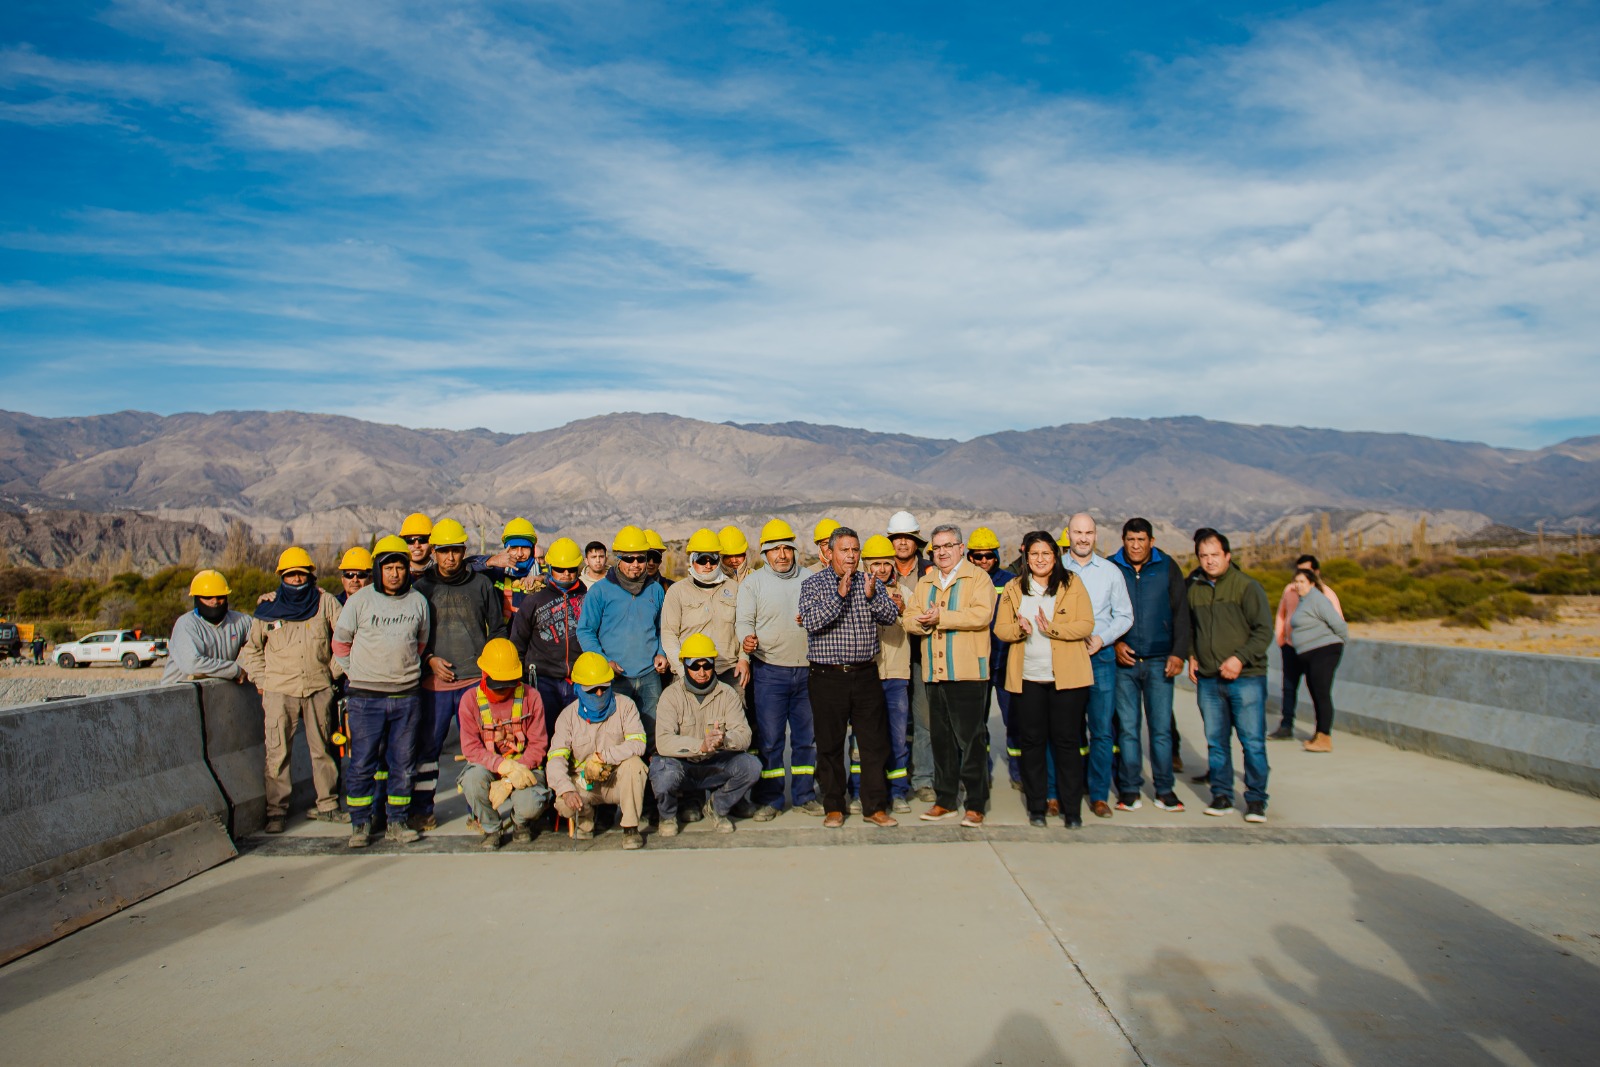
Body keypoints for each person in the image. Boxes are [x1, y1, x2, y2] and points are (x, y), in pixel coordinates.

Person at [237, 547, 346, 834]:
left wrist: (330, 673)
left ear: (311, 575)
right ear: (281, 577)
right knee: (277, 753)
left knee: (322, 749)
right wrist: (263, 681)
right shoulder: (267, 609)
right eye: (290, 574)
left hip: (318, 688)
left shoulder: (326, 603)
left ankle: (328, 804)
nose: (296, 579)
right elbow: (251, 652)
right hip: (278, 691)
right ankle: (276, 812)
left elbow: (346, 640)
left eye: (301, 574)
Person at [799, 526, 901, 828]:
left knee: (873, 744)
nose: (852, 556)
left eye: (855, 550)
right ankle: (834, 806)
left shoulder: (871, 582)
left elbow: (889, 617)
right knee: (830, 744)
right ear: (830, 553)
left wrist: (870, 596)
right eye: (845, 550)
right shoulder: (814, 584)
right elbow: (812, 622)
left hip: (865, 674)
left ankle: (874, 807)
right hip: (827, 675)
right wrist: (840, 596)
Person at [332, 535, 431, 847]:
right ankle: (360, 824)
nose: (394, 574)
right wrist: (359, 672)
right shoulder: (360, 601)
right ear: (377, 569)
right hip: (365, 698)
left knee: (403, 762)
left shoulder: (417, 601)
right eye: (388, 568)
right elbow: (340, 644)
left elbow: (420, 642)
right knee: (363, 761)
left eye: (400, 567)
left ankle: (397, 822)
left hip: (406, 696)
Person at [994, 531, 1095, 827]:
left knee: (1066, 743)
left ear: (1055, 557)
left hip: (1066, 681)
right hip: (1027, 679)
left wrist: (1054, 629)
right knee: (1032, 743)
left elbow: (1086, 623)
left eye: (1046, 554)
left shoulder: (1072, 584)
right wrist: (1019, 630)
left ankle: (1071, 809)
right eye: (1034, 554)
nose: (1040, 559)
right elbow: (1001, 629)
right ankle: (1037, 806)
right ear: (1026, 557)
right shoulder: (1014, 587)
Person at [411, 518, 506, 831]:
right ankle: (423, 810)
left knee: (477, 750)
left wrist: (490, 665)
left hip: (473, 685)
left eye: (455, 550)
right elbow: (410, 635)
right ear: (434, 553)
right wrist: (429, 659)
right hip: (434, 685)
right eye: (443, 551)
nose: (449, 557)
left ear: (464, 551)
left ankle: (478, 811)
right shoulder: (422, 588)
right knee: (428, 750)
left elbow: (499, 629)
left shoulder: (481, 586)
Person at [902, 524, 998, 828]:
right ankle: (945, 800)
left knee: (970, 739)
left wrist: (941, 617)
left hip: (968, 671)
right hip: (934, 671)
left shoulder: (977, 578)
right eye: (937, 547)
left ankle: (975, 803)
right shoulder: (926, 582)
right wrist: (922, 622)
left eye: (948, 546)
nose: (942, 552)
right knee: (941, 739)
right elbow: (908, 618)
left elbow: (981, 615)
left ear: (960, 548)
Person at [735, 519, 822, 820]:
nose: (782, 555)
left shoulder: (810, 578)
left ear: (795, 550)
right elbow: (744, 621)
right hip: (770, 671)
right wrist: (745, 640)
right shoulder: (753, 583)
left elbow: (823, 617)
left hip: (807, 671)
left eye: (787, 548)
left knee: (805, 739)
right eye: (775, 549)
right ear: (764, 553)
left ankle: (804, 795)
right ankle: (770, 799)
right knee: (770, 740)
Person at [1187, 528, 1273, 823]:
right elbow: (1189, 628)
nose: (1209, 561)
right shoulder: (1194, 588)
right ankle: (1221, 795)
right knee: (1216, 741)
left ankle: (1256, 800)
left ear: (1227, 556)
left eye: (1215, 555)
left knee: (1252, 741)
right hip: (1209, 679)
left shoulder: (1246, 587)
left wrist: (1239, 658)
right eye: (1203, 556)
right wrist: (1191, 655)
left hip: (1246, 678)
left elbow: (1264, 631)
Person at [1109, 518, 1193, 813]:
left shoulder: (1167, 567)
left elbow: (1181, 612)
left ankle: (1165, 790)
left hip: (1160, 662)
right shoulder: (1112, 567)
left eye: (1141, 540)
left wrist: (1178, 653)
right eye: (1130, 540)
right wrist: (1115, 643)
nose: (1135, 545)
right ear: (1123, 540)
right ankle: (1130, 790)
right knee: (1128, 730)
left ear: (1151, 542)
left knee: (1160, 730)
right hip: (1124, 663)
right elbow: (1102, 613)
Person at [649, 634, 761, 835]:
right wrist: (700, 745)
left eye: (707, 665)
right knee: (663, 772)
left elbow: (744, 735)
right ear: (684, 665)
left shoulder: (728, 694)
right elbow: (663, 741)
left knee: (751, 766)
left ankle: (717, 807)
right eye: (694, 665)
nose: (702, 671)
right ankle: (667, 815)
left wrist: (724, 741)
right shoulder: (671, 695)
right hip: (682, 764)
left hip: (714, 762)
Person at [1060, 513, 1133, 819]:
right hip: (1064, 656)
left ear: (1096, 535)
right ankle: (1061, 791)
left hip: (1099, 658)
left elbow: (1124, 615)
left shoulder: (1110, 572)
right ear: (1069, 534)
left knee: (1101, 731)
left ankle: (1099, 794)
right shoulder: (1056, 568)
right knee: (1064, 730)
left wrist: (1103, 639)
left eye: (1088, 532)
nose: (1083, 538)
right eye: (1078, 532)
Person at [548, 651, 649, 849]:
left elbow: (639, 743)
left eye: (604, 687)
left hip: (615, 780)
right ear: (578, 689)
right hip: (583, 783)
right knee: (562, 802)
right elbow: (555, 759)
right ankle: (585, 822)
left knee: (635, 766)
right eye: (593, 690)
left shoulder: (625, 706)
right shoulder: (567, 717)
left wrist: (604, 757)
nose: (600, 694)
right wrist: (567, 790)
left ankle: (630, 828)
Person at [456, 638, 551, 849]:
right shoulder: (470, 701)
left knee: (531, 804)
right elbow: (471, 748)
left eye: (507, 685)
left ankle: (520, 823)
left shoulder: (531, 697)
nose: (502, 691)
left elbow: (538, 745)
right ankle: (491, 828)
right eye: (497, 685)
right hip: (489, 765)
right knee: (472, 780)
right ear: (484, 675)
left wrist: (510, 780)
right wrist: (502, 767)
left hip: (525, 765)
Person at [577, 525, 669, 735]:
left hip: (649, 676)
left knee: (653, 731)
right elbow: (585, 631)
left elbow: (663, 627)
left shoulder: (655, 589)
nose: (635, 564)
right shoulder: (600, 591)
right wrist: (603, 661)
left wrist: (662, 653)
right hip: (615, 677)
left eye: (641, 558)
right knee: (616, 733)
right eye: (629, 559)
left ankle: (653, 767)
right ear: (618, 559)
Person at [856, 535, 912, 813]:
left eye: (886, 564)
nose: (880, 569)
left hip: (896, 677)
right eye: (875, 563)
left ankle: (898, 791)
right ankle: (858, 790)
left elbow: (918, 627)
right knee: (862, 739)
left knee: (897, 737)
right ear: (865, 564)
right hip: (866, 676)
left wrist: (903, 612)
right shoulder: (855, 592)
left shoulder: (906, 594)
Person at [508, 536, 587, 734]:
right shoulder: (534, 600)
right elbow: (518, 641)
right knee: (544, 733)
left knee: (578, 733)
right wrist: (518, 678)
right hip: (543, 680)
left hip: (581, 678)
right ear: (551, 568)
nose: (566, 574)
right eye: (560, 569)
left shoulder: (588, 598)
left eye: (571, 569)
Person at [886, 510, 935, 803]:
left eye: (908, 538)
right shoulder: (879, 567)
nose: (903, 543)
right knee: (892, 720)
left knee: (923, 719)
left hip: (922, 654)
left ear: (917, 541)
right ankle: (892, 775)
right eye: (897, 538)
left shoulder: (931, 571)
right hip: (890, 655)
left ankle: (924, 778)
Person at [660, 528, 746, 688]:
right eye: (702, 559)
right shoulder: (677, 592)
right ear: (692, 560)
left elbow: (743, 627)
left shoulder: (735, 588)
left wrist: (743, 659)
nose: (708, 565)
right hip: (690, 671)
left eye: (712, 559)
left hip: (728, 672)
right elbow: (668, 633)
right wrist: (682, 670)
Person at [966, 527, 1018, 788]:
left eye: (988, 555)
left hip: (1006, 661)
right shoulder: (966, 581)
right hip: (977, 662)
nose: (983, 561)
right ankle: (981, 771)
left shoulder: (1010, 580)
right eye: (978, 556)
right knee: (977, 722)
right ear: (970, 557)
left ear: (996, 555)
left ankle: (1019, 772)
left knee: (1014, 720)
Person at [1271, 554, 1344, 740]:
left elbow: (1338, 622)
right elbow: (1281, 614)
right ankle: (1286, 726)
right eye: (1298, 571)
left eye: (1307, 571)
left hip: (1315, 650)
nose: (1300, 577)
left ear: (1316, 573)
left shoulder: (1324, 594)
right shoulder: (1289, 590)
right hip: (1291, 647)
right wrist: (1281, 639)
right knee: (1288, 687)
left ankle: (1321, 732)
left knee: (1318, 689)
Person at [1288, 567, 1349, 753]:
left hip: (1324, 651)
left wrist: (1339, 642)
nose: (1298, 585)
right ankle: (1319, 733)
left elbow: (1338, 623)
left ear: (1312, 583)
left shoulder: (1317, 599)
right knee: (1315, 692)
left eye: (1302, 582)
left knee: (1321, 692)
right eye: (1296, 582)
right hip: (1311, 653)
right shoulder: (1304, 601)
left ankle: (1325, 737)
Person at [163, 570, 252, 684]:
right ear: (197, 598)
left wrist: (267, 608)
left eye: (220, 596)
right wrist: (235, 670)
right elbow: (193, 665)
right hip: (177, 694)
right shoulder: (186, 624)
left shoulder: (240, 621)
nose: (214, 601)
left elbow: (264, 639)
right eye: (208, 597)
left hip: (213, 692)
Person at [471, 517, 546, 621]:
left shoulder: (544, 574)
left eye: (524, 548)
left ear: (532, 549)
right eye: (514, 548)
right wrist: (491, 561)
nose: (519, 554)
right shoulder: (496, 573)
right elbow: (465, 567)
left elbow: (563, 580)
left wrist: (542, 578)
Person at [399, 512, 435, 580]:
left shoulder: (442, 573)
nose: (417, 545)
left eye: (423, 540)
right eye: (410, 540)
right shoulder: (397, 576)